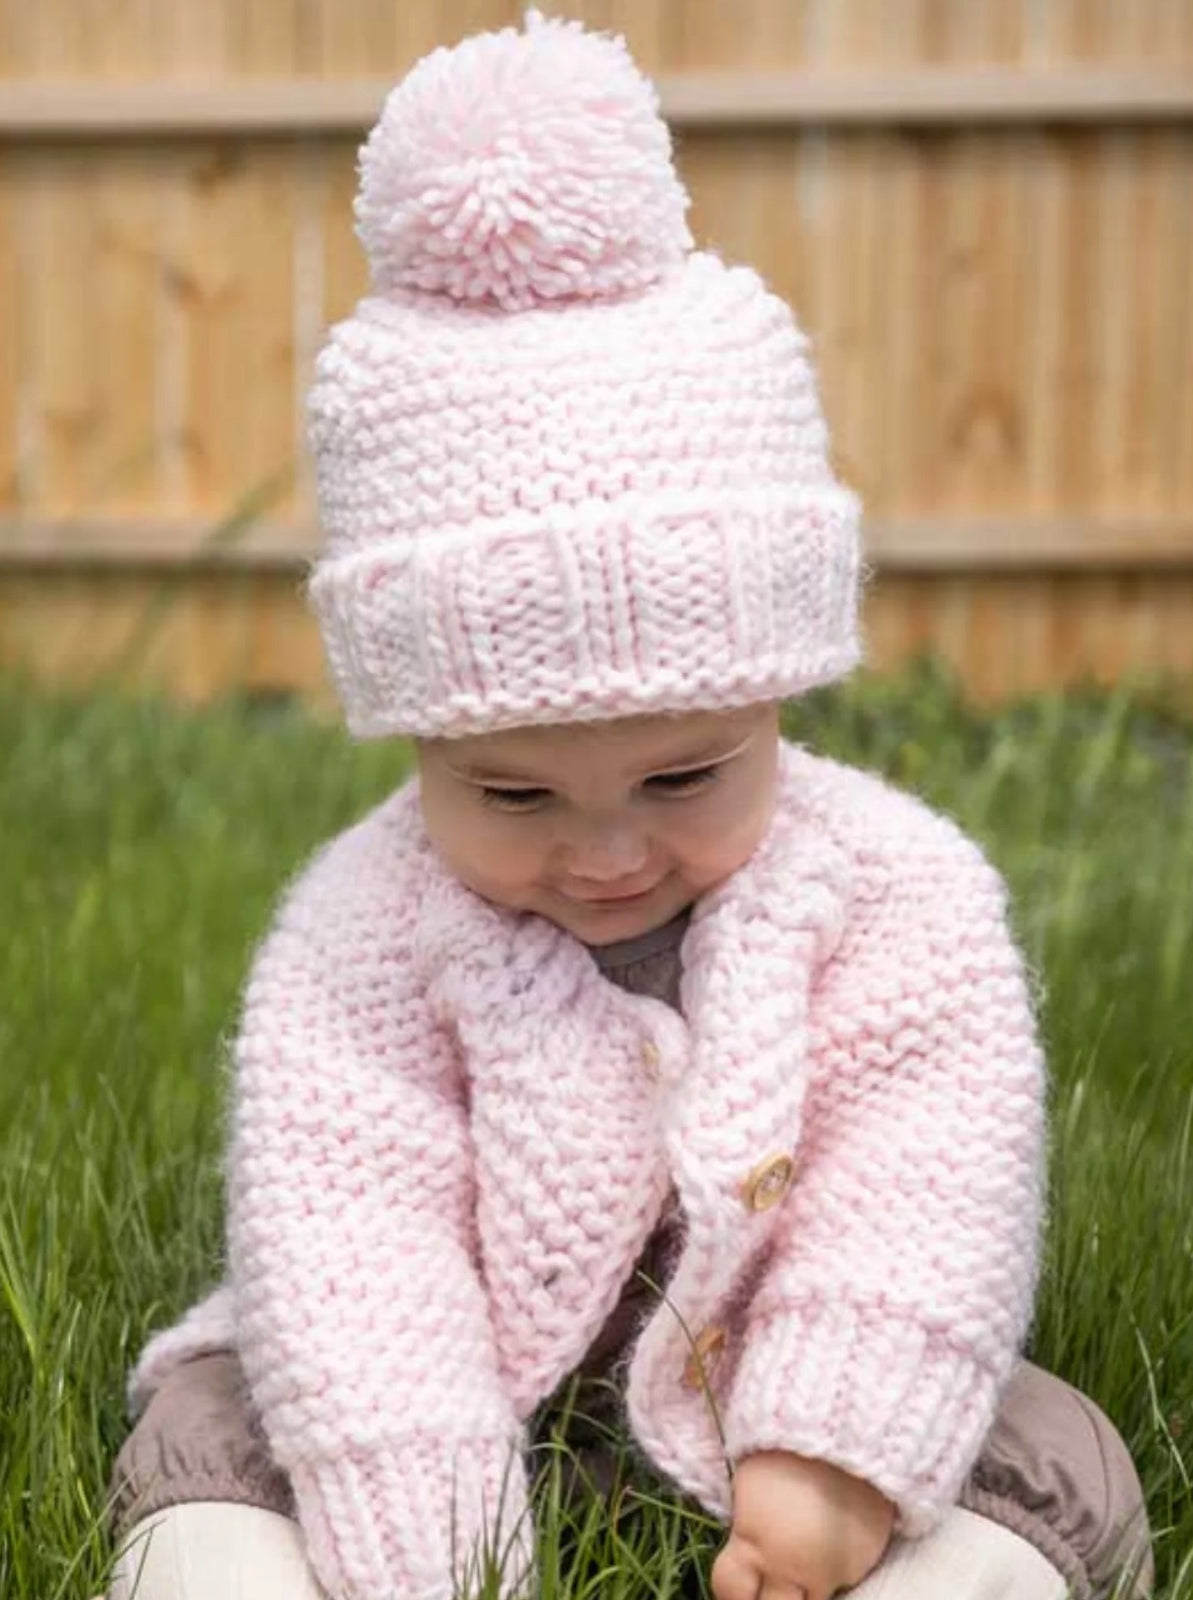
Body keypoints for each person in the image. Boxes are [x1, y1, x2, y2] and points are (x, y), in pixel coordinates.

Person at [103, 13, 1153, 1600]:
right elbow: (349, 1235)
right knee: (216, 1423)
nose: (604, 852)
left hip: (766, 1376)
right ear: (416, 743)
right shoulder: (363, 933)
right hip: (446, 1383)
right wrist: (423, 1538)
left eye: (682, 775)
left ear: (776, 699)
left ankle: (873, 1546)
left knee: (1047, 1452)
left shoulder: (891, 895)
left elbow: (925, 1174)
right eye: (511, 790)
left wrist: (828, 1454)